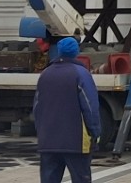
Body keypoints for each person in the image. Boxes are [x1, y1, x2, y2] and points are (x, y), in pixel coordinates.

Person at [33, 36, 101, 183]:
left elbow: (37, 108)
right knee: (81, 178)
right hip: (75, 141)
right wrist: (95, 131)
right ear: (76, 51)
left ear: (59, 51)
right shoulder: (81, 74)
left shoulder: (45, 74)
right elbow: (90, 107)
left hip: (48, 141)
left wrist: (41, 132)